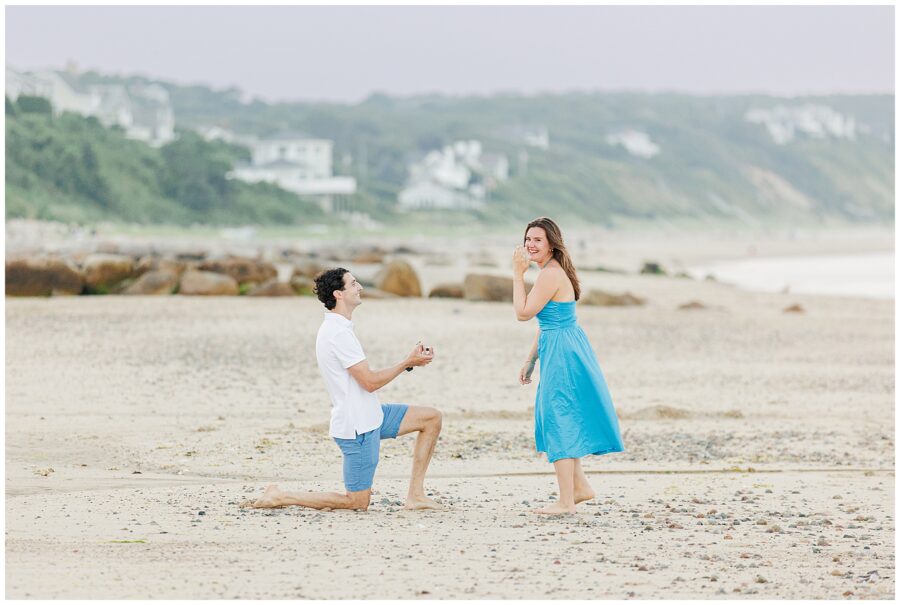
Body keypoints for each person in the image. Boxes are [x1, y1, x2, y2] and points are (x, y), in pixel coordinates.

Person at [249, 267, 443, 511]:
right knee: (357, 502)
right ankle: (280, 496)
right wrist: (407, 362)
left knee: (431, 418)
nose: (359, 287)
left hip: (372, 415)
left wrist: (408, 362)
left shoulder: (339, 328)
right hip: (357, 428)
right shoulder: (337, 333)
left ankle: (416, 495)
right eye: (353, 284)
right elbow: (369, 382)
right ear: (338, 294)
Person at [512, 217, 624, 514]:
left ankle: (565, 502)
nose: (530, 245)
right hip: (561, 344)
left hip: (563, 350)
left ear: (551, 244)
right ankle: (579, 487)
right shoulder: (550, 272)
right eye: (528, 239)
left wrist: (516, 275)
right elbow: (547, 321)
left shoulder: (549, 275)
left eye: (537, 239)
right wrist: (531, 359)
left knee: (558, 416)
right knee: (564, 413)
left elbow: (523, 313)